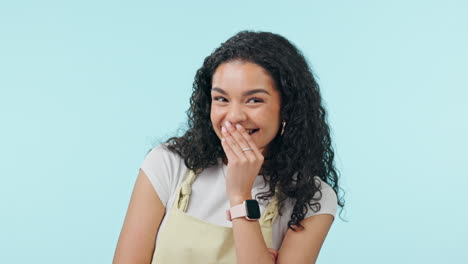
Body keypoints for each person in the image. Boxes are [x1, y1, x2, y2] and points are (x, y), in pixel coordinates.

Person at [113, 30, 344, 264]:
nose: (233, 116)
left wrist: (240, 196)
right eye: (221, 99)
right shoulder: (168, 164)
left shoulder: (313, 197)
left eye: (254, 100)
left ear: (287, 108)